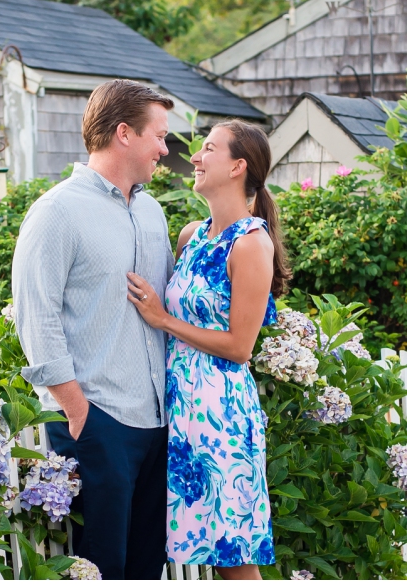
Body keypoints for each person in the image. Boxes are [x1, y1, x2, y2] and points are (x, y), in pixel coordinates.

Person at [12, 79, 176, 580]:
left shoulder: (151, 211)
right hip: (97, 421)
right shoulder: (57, 211)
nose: (166, 150)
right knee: (100, 568)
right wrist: (79, 412)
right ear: (124, 133)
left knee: (148, 567)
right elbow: (34, 316)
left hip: (157, 423)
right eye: (159, 136)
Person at [127, 119, 291, 580]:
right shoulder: (192, 235)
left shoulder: (251, 243)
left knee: (234, 561)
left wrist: (163, 319)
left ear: (238, 166)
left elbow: (241, 346)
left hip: (222, 413)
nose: (195, 158)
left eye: (208, 149)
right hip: (180, 411)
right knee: (205, 555)